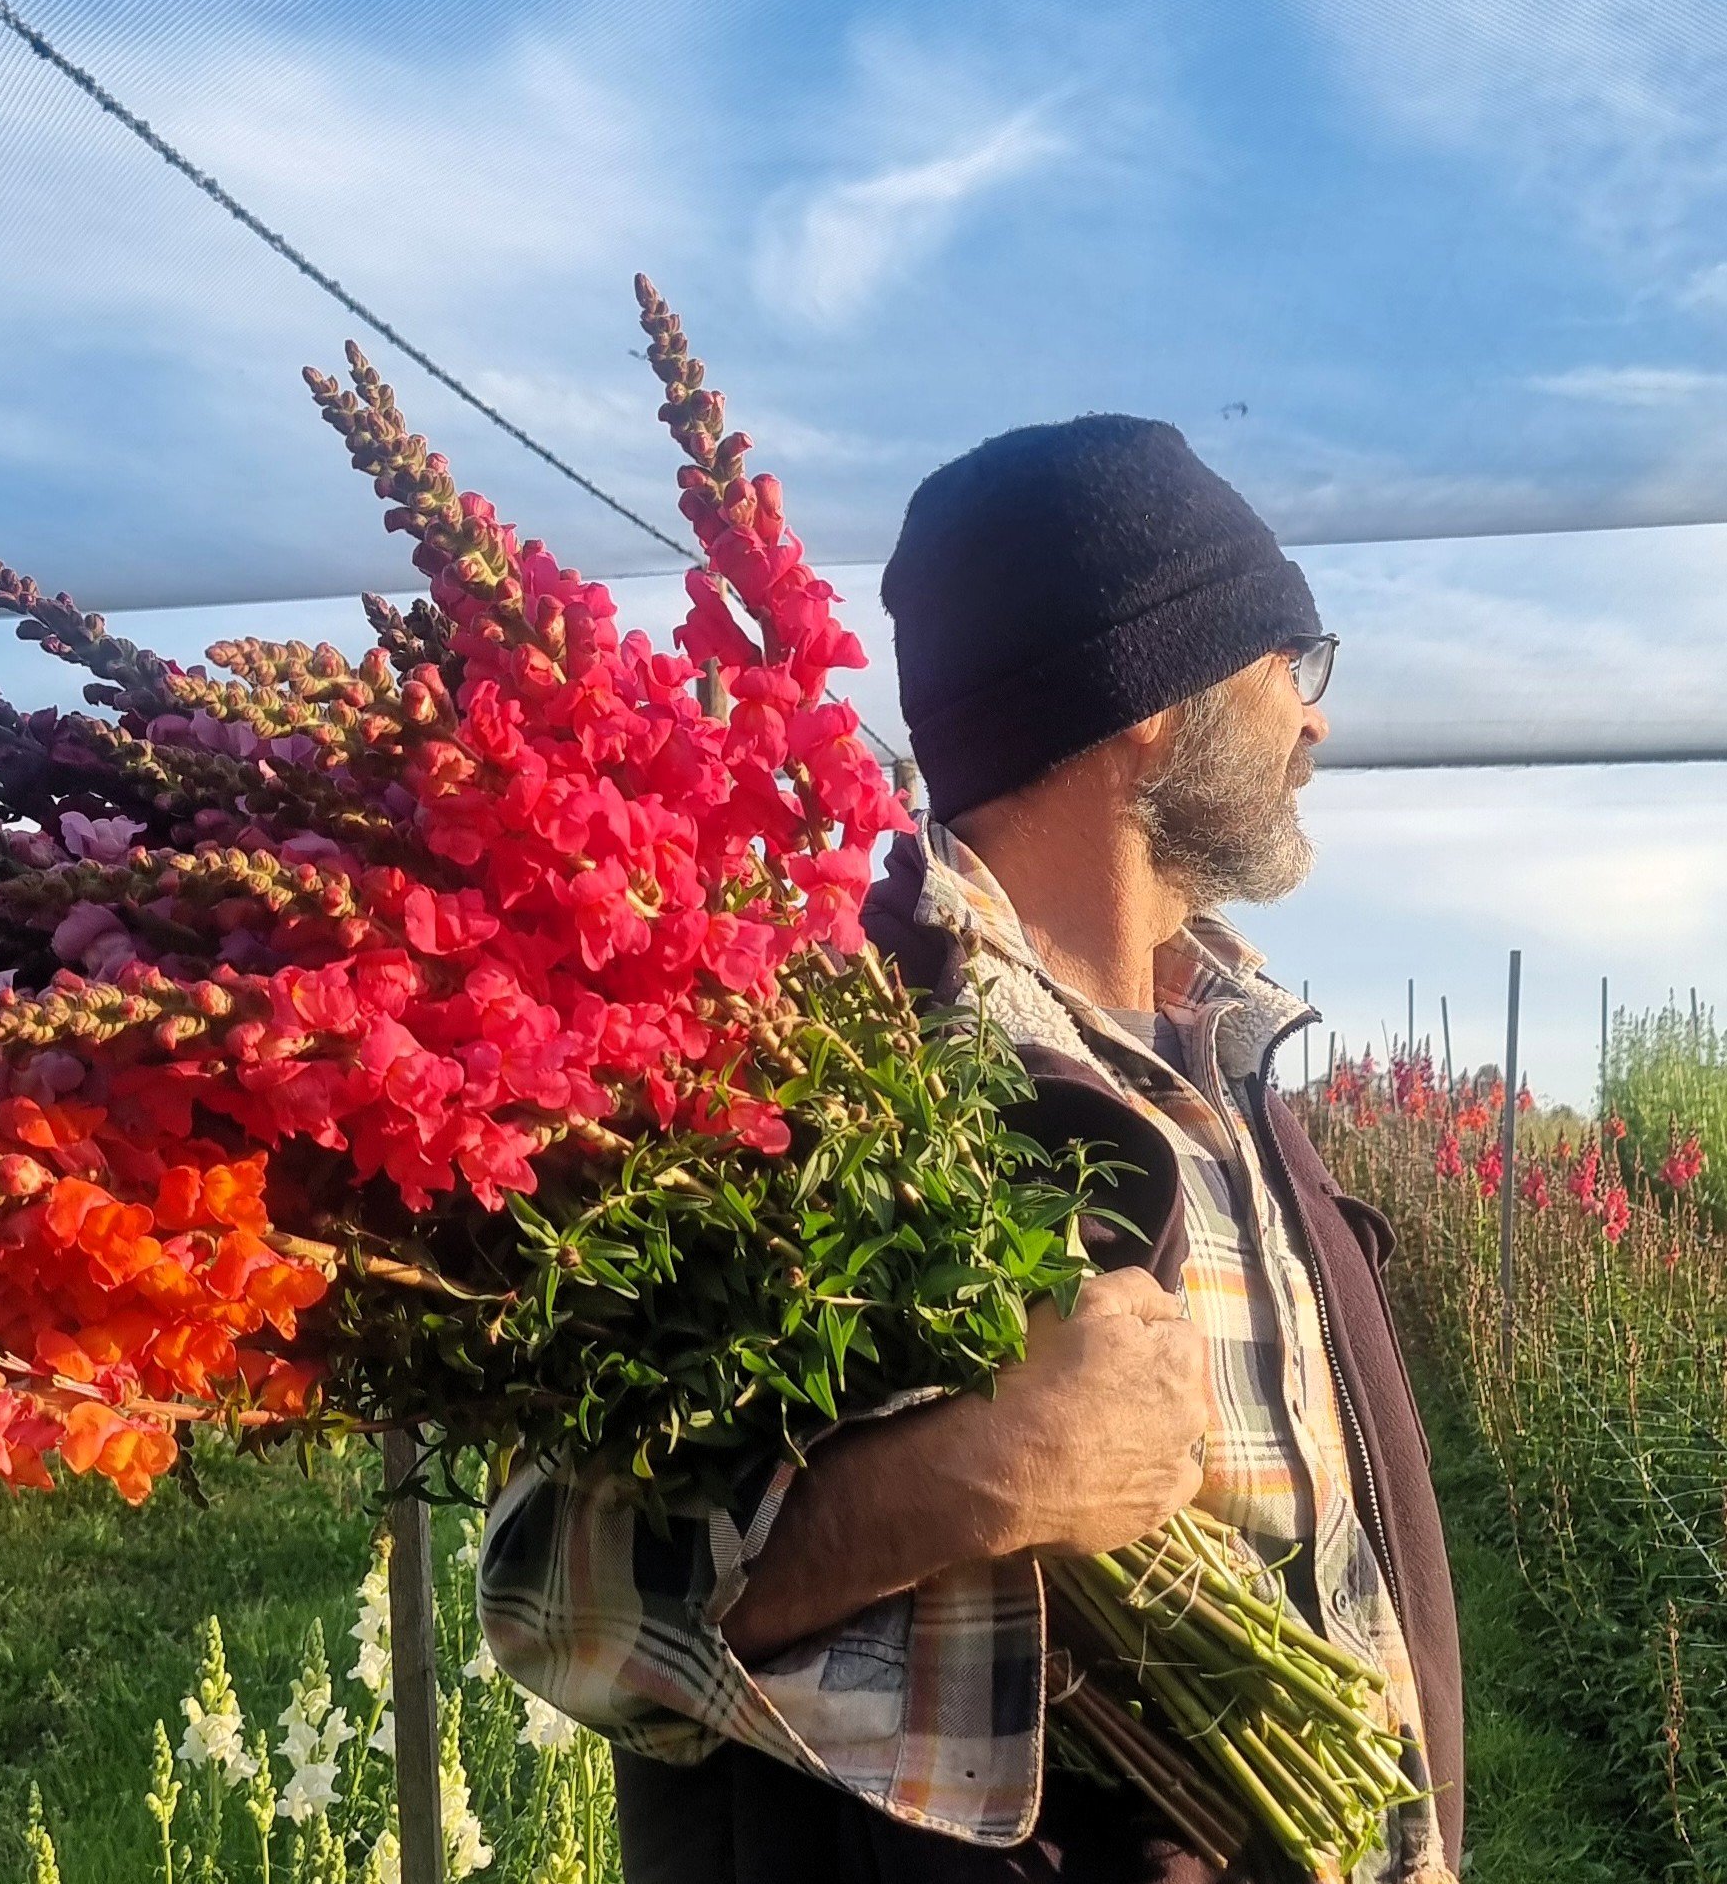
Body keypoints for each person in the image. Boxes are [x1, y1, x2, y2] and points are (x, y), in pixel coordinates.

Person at [479, 415, 1462, 1884]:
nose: (1312, 720)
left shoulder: (1228, 1058)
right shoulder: (827, 1076)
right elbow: (561, 1609)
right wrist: (985, 1473)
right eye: (1287, 662)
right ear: (1151, 691)